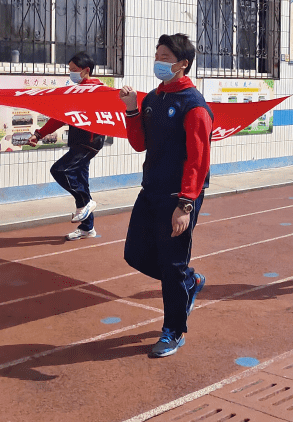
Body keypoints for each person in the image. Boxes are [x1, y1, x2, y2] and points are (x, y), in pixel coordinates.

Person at [120, 34, 213, 359]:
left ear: (182, 63)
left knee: (171, 265)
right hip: (151, 191)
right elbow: (139, 144)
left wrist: (185, 204)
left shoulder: (194, 105)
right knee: (135, 254)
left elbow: (198, 160)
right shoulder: (153, 100)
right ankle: (188, 281)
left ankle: (173, 331)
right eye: (157, 55)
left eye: (164, 56)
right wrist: (131, 110)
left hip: (179, 196)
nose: (158, 61)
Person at [28, 52, 105, 240]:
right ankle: (88, 227)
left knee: (60, 170)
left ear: (86, 71)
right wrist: (39, 134)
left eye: (74, 70)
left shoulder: (97, 90)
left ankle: (85, 202)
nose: (71, 74)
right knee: (81, 180)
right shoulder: (76, 90)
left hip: (89, 143)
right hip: (79, 143)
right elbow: (60, 117)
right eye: (69, 70)